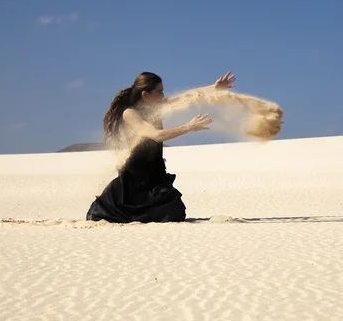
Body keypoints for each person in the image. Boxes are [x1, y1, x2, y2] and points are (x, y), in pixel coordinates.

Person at [86, 71, 236, 223]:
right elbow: (156, 135)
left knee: (175, 211)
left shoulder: (157, 106)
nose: (163, 96)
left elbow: (187, 97)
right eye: (159, 92)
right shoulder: (130, 113)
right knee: (157, 213)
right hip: (137, 175)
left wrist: (214, 88)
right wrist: (188, 127)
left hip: (155, 171)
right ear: (145, 95)